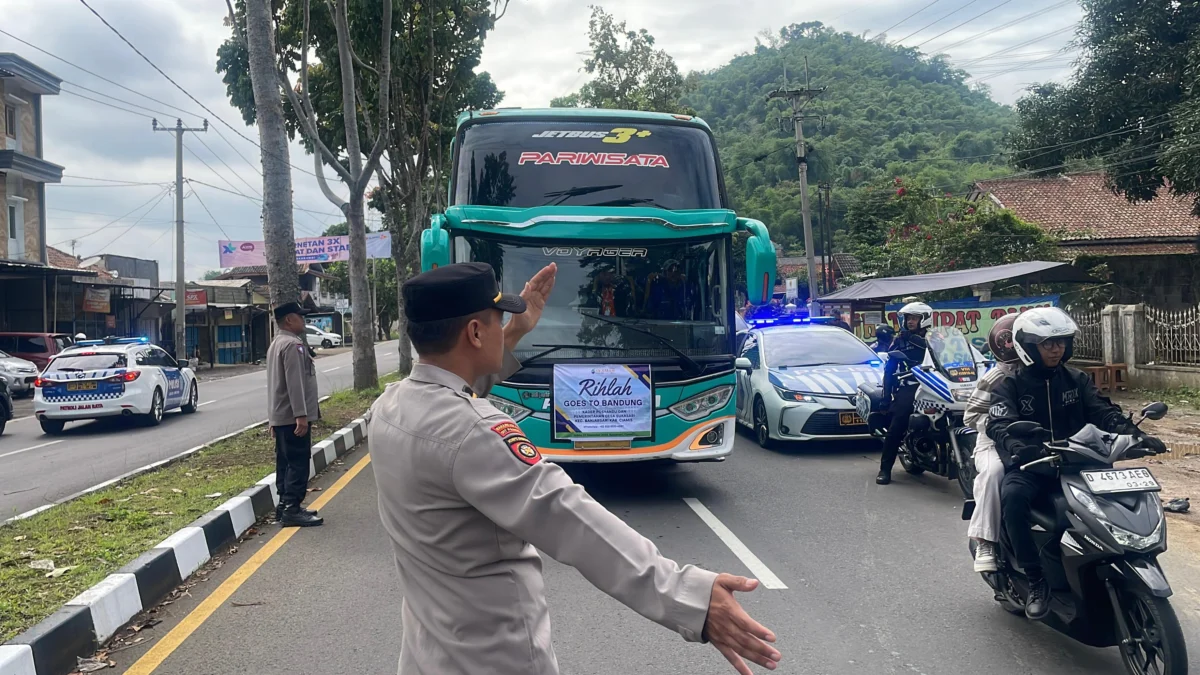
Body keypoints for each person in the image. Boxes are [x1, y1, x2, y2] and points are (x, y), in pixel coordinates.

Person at [369, 261, 781, 675]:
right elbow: (573, 520)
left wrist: (513, 332)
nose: (505, 325)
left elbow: (451, 394)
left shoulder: (389, 408)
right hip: (494, 659)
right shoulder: (476, 433)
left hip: (430, 655)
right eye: (498, 319)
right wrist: (690, 598)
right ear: (475, 333)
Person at [987, 307, 1166, 619]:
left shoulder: (1076, 379)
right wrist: (1018, 446)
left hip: (1082, 464)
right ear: (1027, 347)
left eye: (1061, 342)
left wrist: (1135, 434)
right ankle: (1036, 578)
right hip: (1035, 465)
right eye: (1047, 344)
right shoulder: (1010, 385)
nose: (1057, 349)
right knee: (1013, 498)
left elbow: (1102, 411)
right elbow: (998, 423)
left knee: (1117, 506)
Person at [962, 313, 1021, 573]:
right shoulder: (996, 377)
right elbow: (971, 416)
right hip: (994, 441)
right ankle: (985, 539)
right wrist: (1002, 424)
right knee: (994, 472)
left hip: (1040, 440)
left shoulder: (1054, 374)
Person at [266, 301, 322, 527]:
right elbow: (294, 383)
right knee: (298, 461)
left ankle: (284, 506)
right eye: (300, 316)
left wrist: (272, 418)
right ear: (289, 319)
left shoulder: (276, 343)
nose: (304, 319)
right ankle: (292, 508)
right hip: (292, 416)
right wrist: (301, 415)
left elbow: (273, 385)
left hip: (280, 416)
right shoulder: (292, 345)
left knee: (285, 461)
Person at [876, 302, 933, 485]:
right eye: (908, 318)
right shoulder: (900, 340)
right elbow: (890, 369)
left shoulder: (936, 337)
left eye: (914, 318)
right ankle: (885, 469)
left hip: (936, 384)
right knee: (898, 423)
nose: (910, 322)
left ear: (924, 319)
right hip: (910, 385)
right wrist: (886, 397)